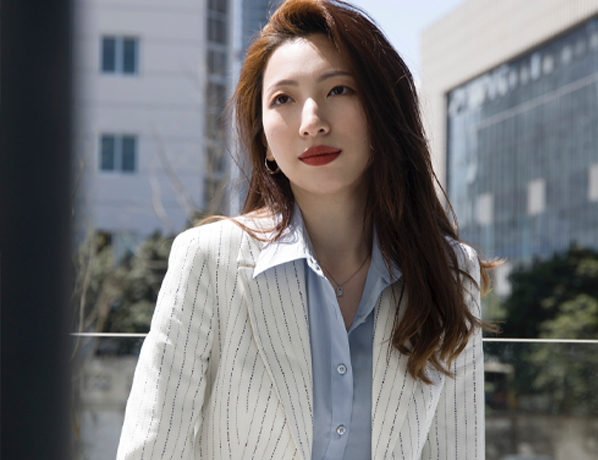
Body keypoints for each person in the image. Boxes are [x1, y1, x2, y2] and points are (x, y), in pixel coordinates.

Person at [116, 0, 497, 458]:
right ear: (264, 141)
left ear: (383, 112)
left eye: (339, 90)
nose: (312, 122)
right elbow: (152, 448)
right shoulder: (209, 260)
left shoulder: (449, 272)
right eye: (283, 99)